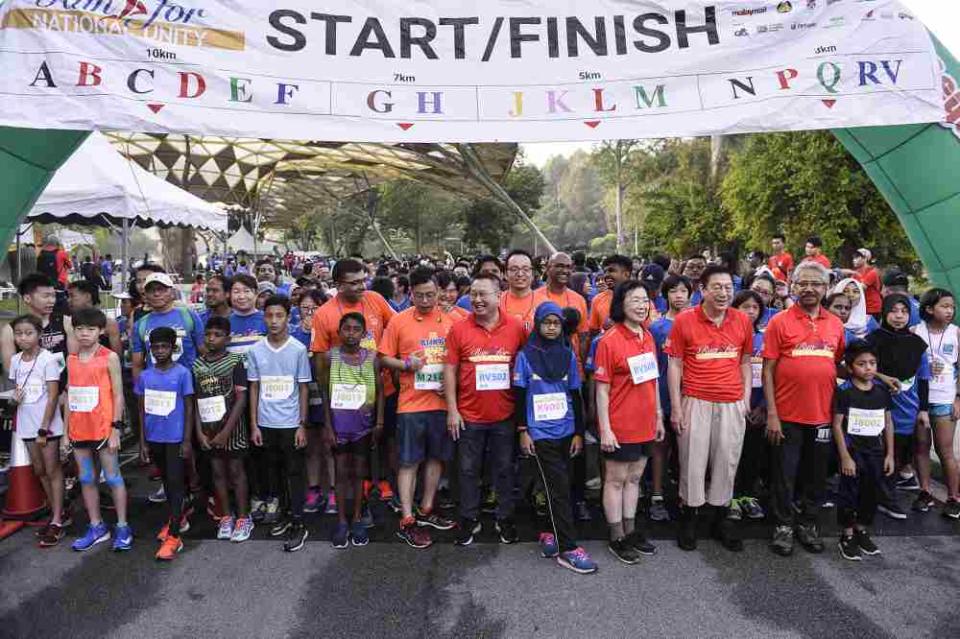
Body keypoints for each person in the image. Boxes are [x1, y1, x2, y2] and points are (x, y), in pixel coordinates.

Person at [666, 265, 753, 552]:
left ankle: (720, 518)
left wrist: (745, 400)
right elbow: (675, 364)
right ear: (702, 290)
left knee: (726, 462)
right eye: (717, 286)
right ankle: (689, 517)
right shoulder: (685, 321)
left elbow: (744, 362)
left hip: (731, 402)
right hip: (696, 400)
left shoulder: (741, 320)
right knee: (692, 461)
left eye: (728, 287)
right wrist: (676, 408)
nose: (724, 292)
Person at [763, 262, 846, 557]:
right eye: (803, 283)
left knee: (816, 474)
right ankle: (783, 526)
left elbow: (835, 364)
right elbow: (768, 370)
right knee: (784, 474)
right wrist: (772, 414)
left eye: (816, 283)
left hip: (823, 416)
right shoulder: (779, 322)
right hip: (786, 416)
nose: (809, 289)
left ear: (826, 288)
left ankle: (808, 523)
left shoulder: (836, 324)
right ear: (793, 286)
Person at [514, 301, 595, 573]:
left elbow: (575, 393)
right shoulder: (525, 356)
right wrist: (524, 432)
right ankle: (568, 548)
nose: (551, 327)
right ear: (537, 324)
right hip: (540, 432)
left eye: (556, 323)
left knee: (560, 486)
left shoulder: (568, 354)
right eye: (546, 322)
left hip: (566, 429)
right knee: (557, 487)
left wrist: (578, 433)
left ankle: (549, 531)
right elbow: (520, 395)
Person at [445, 272, 526, 545]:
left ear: (498, 296)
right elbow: (450, 369)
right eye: (474, 294)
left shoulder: (516, 327)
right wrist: (452, 410)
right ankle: (469, 519)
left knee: (504, 469)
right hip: (469, 416)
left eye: (484, 294)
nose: (477, 300)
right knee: (468, 470)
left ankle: (505, 518)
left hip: (505, 415)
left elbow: (524, 368)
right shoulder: (458, 329)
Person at [380, 268, 457, 549]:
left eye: (430, 294)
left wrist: (451, 386)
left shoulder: (451, 321)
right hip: (410, 404)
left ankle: (426, 509)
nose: (425, 300)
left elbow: (459, 362)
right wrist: (405, 365)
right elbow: (383, 358)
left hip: (440, 403)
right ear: (409, 293)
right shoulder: (399, 321)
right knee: (409, 461)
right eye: (419, 295)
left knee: (437, 457)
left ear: (438, 292)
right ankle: (408, 518)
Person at [311, 259, 396, 504]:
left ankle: (384, 484)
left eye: (363, 280)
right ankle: (352, 497)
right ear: (338, 285)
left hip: (381, 388)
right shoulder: (324, 314)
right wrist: (331, 397)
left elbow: (396, 327)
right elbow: (320, 362)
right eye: (355, 282)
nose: (362, 286)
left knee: (383, 438)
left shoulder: (376, 299)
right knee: (351, 452)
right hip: (346, 398)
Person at [595, 282, 664, 564]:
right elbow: (601, 389)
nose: (641, 305)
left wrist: (658, 414)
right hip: (619, 424)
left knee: (635, 478)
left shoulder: (647, 336)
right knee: (616, 480)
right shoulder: (609, 340)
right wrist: (605, 429)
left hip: (646, 422)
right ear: (621, 304)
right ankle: (616, 536)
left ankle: (631, 529)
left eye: (645, 300)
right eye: (634, 300)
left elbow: (653, 380)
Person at [247, 295, 313, 552]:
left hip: (290, 423)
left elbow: (303, 388)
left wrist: (301, 424)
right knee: (275, 472)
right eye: (269, 316)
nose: (274, 321)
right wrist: (254, 424)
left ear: (288, 317)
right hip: (266, 422)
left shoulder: (297, 349)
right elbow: (254, 387)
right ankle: (285, 515)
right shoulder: (256, 350)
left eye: (279, 316)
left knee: (295, 472)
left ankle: (299, 522)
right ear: (263, 318)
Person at [66, 309, 130, 552]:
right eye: (80, 329)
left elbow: (118, 394)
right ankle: (96, 525)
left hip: (103, 428)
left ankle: (123, 526)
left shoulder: (109, 357)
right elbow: (69, 395)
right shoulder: (71, 359)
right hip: (79, 429)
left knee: (113, 477)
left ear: (101, 331)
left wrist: (115, 427)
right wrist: (65, 432)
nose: (84, 333)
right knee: (85, 478)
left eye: (90, 329)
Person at [321, 313, 383, 548]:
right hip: (338, 425)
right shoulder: (330, 357)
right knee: (340, 473)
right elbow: (325, 392)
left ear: (364, 333)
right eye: (346, 329)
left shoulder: (372, 358)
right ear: (339, 331)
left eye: (356, 329)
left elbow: (378, 391)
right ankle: (341, 521)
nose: (351, 333)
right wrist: (327, 425)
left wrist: (379, 423)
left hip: (363, 426)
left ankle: (357, 517)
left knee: (358, 472)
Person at [869, 294, 931, 521]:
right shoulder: (872, 338)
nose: (899, 316)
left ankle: (885, 494)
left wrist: (923, 409)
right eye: (893, 310)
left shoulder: (917, 344)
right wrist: (882, 377)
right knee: (877, 451)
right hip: (875, 405)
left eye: (904, 311)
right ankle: (881, 496)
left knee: (900, 451)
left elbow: (924, 378)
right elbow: (858, 365)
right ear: (884, 313)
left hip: (907, 407)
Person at [831, 341, 895, 561]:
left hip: (875, 452)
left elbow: (888, 422)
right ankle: (847, 535)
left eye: (872, 363)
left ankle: (861, 529)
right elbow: (837, 424)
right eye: (861, 364)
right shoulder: (845, 391)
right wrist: (845, 457)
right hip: (853, 451)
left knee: (871, 492)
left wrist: (890, 454)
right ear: (850, 368)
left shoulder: (881, 391)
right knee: (849, 493)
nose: (868, 368)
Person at [135, 327, 195, 561]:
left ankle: (175, 536)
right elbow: (141, 410)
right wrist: (142, 442)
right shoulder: (145, 376)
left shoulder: (182, 374)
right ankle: (176, 518)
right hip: (154, 438)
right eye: (156, 347)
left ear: (173, 348)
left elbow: (189, 407)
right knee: (167, 484)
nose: (160, 351)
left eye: (164, 347)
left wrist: (187, 440)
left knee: (175, 481)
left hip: (175, 438)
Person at [193, 316, 254, 543]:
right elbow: (196, 401)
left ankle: (243, 517)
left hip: (233, 430)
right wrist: (199, 432)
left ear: (227, 338)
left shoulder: (235, 361)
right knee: (218, 472)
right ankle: (226, 516)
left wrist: (227, 431)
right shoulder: (198, 364)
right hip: (209, 430)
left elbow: (241, 398)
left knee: (237, 473)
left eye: (217, 335)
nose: (211, 339)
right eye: (208, 334)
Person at [8, 315, 66, 547]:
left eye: (28, 333)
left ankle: (57, 520)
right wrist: (14, 399)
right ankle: (55, 511)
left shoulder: (48, 360)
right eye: (19, 333)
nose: (23, 338)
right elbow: (17, 393)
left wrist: (44, 427)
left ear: (39, 335)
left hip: (46, 425)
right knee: (40, 470)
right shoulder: (15, 361)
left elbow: (53, 395)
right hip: (26, 423)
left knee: (52, 470)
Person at [911, 288, 960, 518]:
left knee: (945, 451)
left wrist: (958, 398)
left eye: (952, 306)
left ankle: (953, 498)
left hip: (944, 400)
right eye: (944, 306)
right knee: (920, 448)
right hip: (919, 401)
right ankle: (924, 492)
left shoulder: (956, 334)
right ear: (929, 308)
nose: (950, 310)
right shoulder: (915, 331)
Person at [647, 274, 693, 522]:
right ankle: (656, 495)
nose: (679, 296)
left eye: (683, 291)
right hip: (663, 395)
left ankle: (687, 496)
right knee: (660, 447)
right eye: (673, 291)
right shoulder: (656, 328)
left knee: (687, 449)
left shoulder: (698, 323)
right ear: (665, 295)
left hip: (692, 395)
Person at [291, 290, 335, 515]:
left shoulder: (329, 332)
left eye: (314, 308)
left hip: (326, 394)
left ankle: (333, 492)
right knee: (311, 446)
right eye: (304, 308)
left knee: (329, 444)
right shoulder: (293, 335)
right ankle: (314, 489)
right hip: (303, 396)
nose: (309, 313)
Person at [729, 291, 768, 521]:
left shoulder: (765, 338)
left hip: (758, 407)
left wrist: (763, 406)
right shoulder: (729, 336)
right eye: (746, 306)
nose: (751, 311)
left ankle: (747, 495)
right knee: (732, 453)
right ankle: (730, 496)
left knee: (753, 454)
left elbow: (771, 375)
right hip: (733, 405)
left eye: (755, 307)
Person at [132, 272, 205, 380]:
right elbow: (137, 364)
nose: (156, 294)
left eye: (161, 289)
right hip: (157, 389)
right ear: (145, 295)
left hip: (189, 387)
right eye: (151, 290)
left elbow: (204, 352)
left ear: (171, 292)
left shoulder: (188, 316)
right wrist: (140, 392)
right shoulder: (140, 324)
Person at [1, 273, 76, 376]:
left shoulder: (66, 322)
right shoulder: (10, 330)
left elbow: (75, 361)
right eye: (46, 296)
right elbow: (10, 370)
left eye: (53, 296)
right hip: (29, 387)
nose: (51, 300)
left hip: (63, 388)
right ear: (27, 298)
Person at [532, 253, 589, 365]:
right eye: (559, 266)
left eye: (568, 267)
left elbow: (583, 338)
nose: (564, 270)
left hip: (572, 368)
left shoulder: (579, 299)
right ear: (548, 269)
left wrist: (583, 370)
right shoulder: (534, 297)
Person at [68, 280, 122, 357]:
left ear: (87, 297)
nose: (68, 300)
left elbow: (117, 355)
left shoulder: (109, 323)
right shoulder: (68, 322)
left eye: (72, 296)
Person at [589, 255, 633, 338]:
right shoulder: (597, 300)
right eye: (605, 271)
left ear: (626, 274)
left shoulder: (640, 299)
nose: (606, 275)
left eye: (611, 271)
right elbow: (593, 332)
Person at [227, 274, 268, 356]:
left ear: (256, 294)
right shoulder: (224, 323)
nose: (242, 296)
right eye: (236, 292)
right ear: (229, 295)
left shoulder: (267, 319)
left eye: (247, 291)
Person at [500, 249, 537, 334]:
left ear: (532, 274)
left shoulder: (544, 303)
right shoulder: (496, 302)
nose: (520, 274)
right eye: (514, 269)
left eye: (526, 269)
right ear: (505, 274)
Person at [832, 278, 879, 343]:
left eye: (855, 291)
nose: (851, 295)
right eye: (845, 291)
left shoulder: (869, 321)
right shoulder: (829, 322)